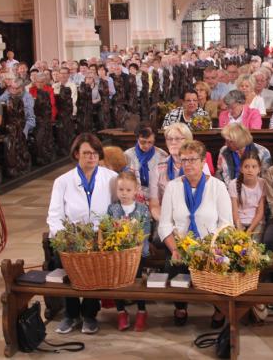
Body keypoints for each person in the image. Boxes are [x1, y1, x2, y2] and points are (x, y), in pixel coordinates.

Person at [48, 134, 118, 335]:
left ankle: (89, 314)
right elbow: (54, 215)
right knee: (67, 270)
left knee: (93, 272)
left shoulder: (111, 178)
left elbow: (116, 209)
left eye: (95, 153)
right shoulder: (62, 181)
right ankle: (71, 314)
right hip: (70, 238)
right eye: (87, 153)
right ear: (77, 154)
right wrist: (65, 239)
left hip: (99, 238)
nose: (91, 157)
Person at [158, 141, 233, 327]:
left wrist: (213, 248)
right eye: (184, 160)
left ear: (203, 161)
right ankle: (180, 306)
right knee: (173, 264)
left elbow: (226, 224)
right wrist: (174, 249)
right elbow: (164, 224)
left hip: (210, 246)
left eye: (192, 159)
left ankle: (218, 309)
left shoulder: (217, 187)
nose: (188, 164)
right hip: (181, 245)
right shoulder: (173, 187)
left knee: (219, 265)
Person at [107, 171, 151, 332]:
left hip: (137, 254)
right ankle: (121, 311)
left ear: (135, 191)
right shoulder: (113, 209)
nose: (124, 193)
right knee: (116, 282)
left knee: (137, 281)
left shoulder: (142, 209)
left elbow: (146, 230)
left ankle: (141, 311)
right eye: (121, 190)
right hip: (117, 253)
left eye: (128, 190)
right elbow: (108, 229)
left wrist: (137, 245)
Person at [149, 123, 211, 225]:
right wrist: (166, 223)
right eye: (169, 139)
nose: (173, 142)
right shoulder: (158, 168)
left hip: (197, 219)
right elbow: (154, 204)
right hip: (167, 220)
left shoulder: (200, 165)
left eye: (178, 139)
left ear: (188, 141)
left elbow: (207, 199)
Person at [123, 125, 167, 208]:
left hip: (156, 199)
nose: (146, 145)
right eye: (143, 142)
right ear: (137, 138)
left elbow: (164, 183)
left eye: (150, 142)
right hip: (134, 199)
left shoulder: (162, 155)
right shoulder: (127, 155)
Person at [228, 149, 266, 241]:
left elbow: (260, 212)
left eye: (254, 167)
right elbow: (234, 211)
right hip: (238, 221)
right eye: (246, 167)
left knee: (254, 242)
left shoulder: (263, 183)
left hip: (256, 222)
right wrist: (239, 229)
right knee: (236, 242)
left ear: (259, 169)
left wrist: (249, 230)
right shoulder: (233, 184)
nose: (250, 170)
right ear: (241, 169)